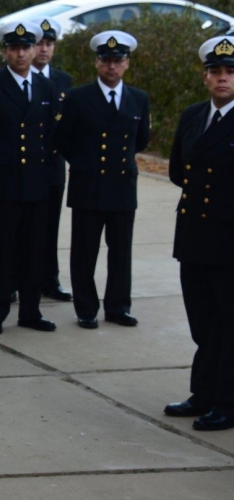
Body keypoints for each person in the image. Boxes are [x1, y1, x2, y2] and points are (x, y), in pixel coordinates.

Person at [0, 21, 57, 336]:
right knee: (1, 253)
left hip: (36, 184)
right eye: (15, 48)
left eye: (26, 47)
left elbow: (53, 136)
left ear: (34, 50)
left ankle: (31, 312)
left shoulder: (46, 88)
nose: (21, 53)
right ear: (5, 52)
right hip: (3, 185)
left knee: (34, 252)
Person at [54, 30, 150, 329]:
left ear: (127, 64)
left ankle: (118, 307)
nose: (112, 67)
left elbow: (142, 140)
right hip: (88, 185)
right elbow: (62, 140)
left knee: (121, 252)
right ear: (97, 63)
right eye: (106, 60)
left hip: (122, 186)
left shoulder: (138, 98)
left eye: (118, 61)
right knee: (85, 251)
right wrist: (85, 164)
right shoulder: (77, 98)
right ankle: (86, 308)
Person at [163, 36, 234, 431]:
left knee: (229, 324)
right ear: (205, 77)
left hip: (229, 240)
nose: (222, 79)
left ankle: (227, 400)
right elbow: (178, 169)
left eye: (230, 72)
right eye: (216, 72)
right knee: (202, 322)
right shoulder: (193, 115)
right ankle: (203, 393)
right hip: (193, 237)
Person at [31, 17, 73, 302]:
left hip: (53, 164)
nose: (44, 49)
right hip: (24, 166)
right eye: (39, 43)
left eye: (49, 43)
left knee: (50, 227)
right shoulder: (16, 77)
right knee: (22, 230)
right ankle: (15, 279)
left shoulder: (63, 81)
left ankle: (49, 279)